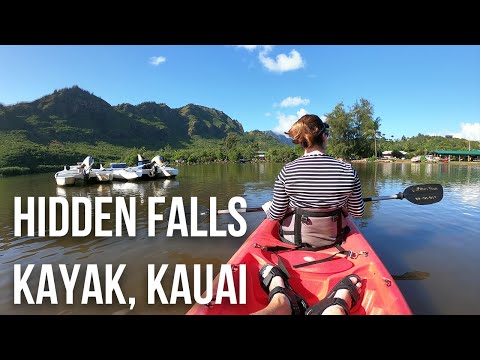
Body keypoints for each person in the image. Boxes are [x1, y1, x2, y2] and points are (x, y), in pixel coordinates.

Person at [253, 114, 366, 315]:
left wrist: (268, 207)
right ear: (324, 137)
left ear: (302, 142)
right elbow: (357, 212)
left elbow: (276, 214)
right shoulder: (348, 170)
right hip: (333, 239)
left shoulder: (287, 171)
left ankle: (281, 301)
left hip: (292, 241)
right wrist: (341, 202)